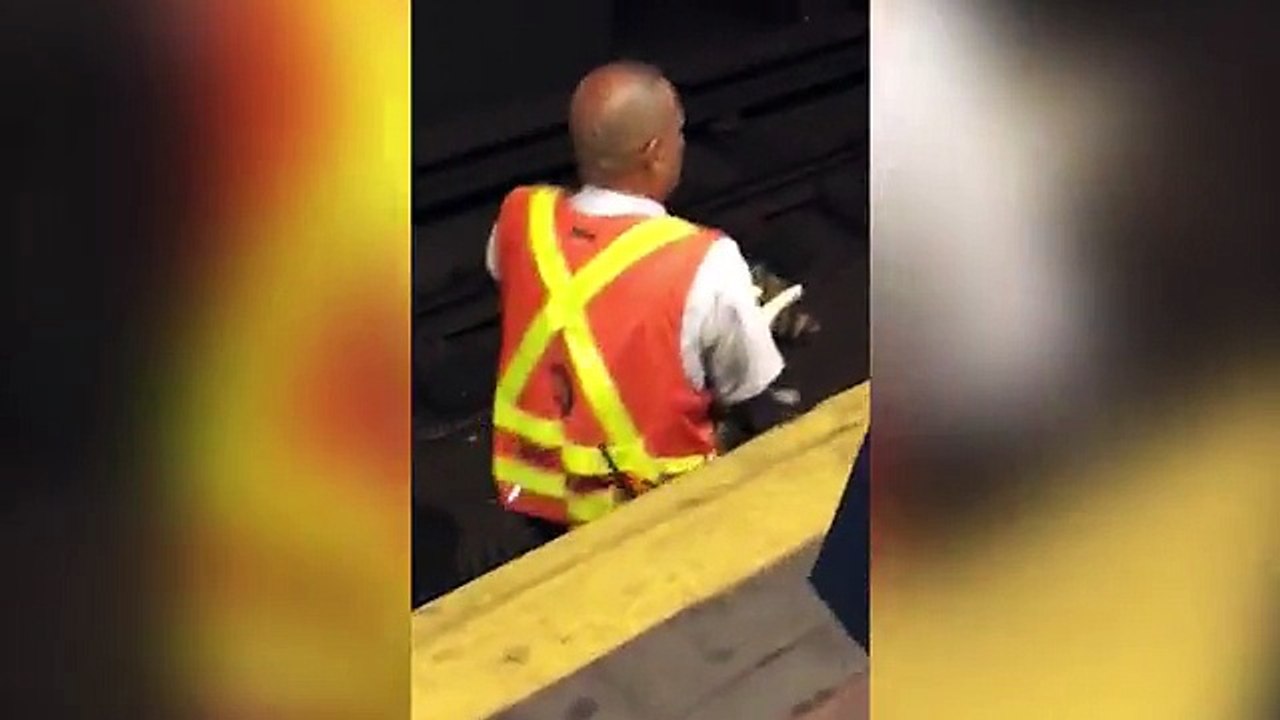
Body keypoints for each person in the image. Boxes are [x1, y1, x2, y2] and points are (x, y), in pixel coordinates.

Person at [483, 61, 799, 531]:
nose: (684, 144)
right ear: (654, 152)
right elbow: (749, 383)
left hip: (541, 501)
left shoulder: (518, 217)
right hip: (657, 518)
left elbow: (519, 277)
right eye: (680, 132)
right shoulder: (706, 260)